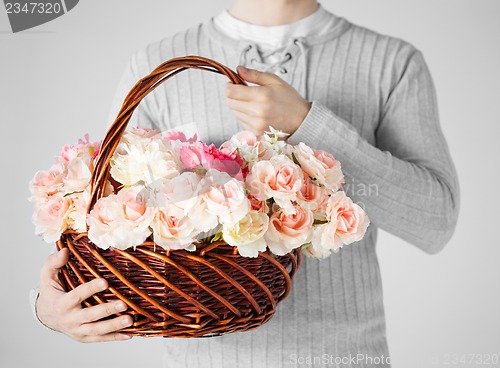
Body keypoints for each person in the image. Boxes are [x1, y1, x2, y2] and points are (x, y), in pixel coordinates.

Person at [32, 0, 460, 366]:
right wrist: (48, 310)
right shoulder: (156, 63)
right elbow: (103, 220)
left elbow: (436, 222)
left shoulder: (392, 62)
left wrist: (307, 125)